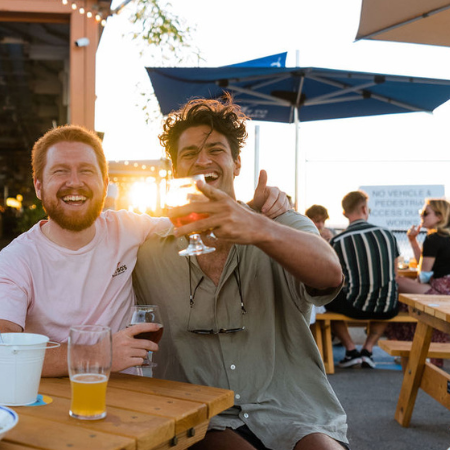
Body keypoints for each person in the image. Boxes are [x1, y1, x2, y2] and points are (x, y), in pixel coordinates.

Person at [0, 124, 289, 376]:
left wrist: (257, 207)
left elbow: (200, 221)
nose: (74, 182)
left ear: (104, 181)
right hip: (54, 401)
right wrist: (98, 354)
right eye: (59, 172)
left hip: (136, 400)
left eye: (86, 170)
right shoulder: (17, 259)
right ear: (39, 185)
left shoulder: (128, 228)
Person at [132, 95, 348, 450]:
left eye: (216, 149)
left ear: (237, 163)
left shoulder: (279, 223)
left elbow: (330, 274)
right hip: (203, 418)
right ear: (175, 170)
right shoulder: (149, 245)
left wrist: (259, 229)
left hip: (294, 412)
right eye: (189, 153)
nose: (202, 160)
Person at [387, 199, 450, 361]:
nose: (422, 217)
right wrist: (413, 242)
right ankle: (424, 347)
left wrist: (412, 243)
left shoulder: (434, 238)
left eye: (425, 213)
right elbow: (426, 271)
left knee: (399, 284)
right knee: (415, 295)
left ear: (439, 216)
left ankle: (414, 347)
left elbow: (423, 276)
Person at [325, 191, 400, 369]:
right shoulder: (388, 235)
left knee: (325, 298)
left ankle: (351, 350)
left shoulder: (338, 241)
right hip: (387, 307)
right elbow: (395, 274)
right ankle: (367, 349)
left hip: (355, 306)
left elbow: (332, 279)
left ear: (344, 213)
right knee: (386, 297)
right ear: (365, 209)